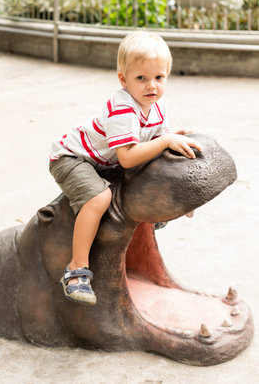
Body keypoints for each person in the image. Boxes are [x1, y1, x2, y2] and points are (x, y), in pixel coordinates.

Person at [49, 30, 202, 305]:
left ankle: (155, 215)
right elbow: (129, 158)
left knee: (156, 158)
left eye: (159, 77)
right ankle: (75, 270)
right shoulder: (123, 107)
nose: (151, 85)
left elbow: (155, 142)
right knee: (100, 197)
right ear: (123, 79)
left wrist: (170, 142)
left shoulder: (156, 106)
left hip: (104, 161)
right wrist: (165, 140)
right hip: (72, 158)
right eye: (141, 78)